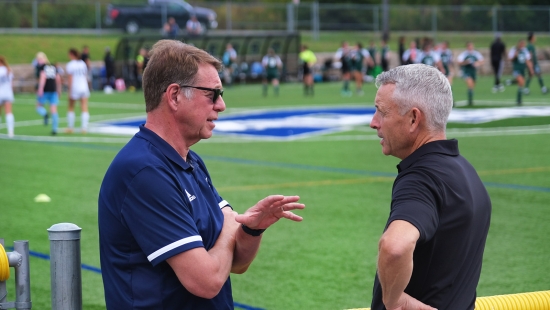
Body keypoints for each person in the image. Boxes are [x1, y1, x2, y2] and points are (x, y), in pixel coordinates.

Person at [98, 40, 305, 309]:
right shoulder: (144, 171)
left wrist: (251, 229)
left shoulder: (189, 160)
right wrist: (231, 226)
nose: (222, 105)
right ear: (174, 96)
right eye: (213, 94)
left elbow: (238, 264)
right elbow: (206, 281)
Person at [369, 64, 491, 310]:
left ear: (414, 119)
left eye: (382, 112)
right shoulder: (466, 171)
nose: (374, 123)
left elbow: (395, 247)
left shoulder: (421, 178)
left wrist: (393, 301)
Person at [35, 52, 61, 135]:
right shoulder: (53, 66)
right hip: (53, 90)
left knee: (39, 107)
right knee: (54, 110)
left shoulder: (42, 67)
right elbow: (58, 79)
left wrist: (40, 89)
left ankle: (45, 113)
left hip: (45, 90)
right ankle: (55, 129)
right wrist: (58, 90)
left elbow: (43, 78)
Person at [66, 48, 90, 134]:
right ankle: (84, 127)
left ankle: (70, 127)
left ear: (72, 54)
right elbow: (85, 75)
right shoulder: (82, 63)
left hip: (75, 87)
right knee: (84, 106)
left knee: (71, 106)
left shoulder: (70, 65)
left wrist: (69, 90)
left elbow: (70, 78)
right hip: (83, 86)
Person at [508, 39, 534, 106]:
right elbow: (510, 59)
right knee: (520, 81)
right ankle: (519, 100)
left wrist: (531, 69)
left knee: (521, 84)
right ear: (519, 44)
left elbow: (528, 61)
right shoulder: (514, 49)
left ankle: (519, 99)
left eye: (523, 44)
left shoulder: (525, 50)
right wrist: (514, 56)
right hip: (516, 69)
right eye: (521, 44)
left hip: (523, 69)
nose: (522, 45)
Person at [457, 42, 483, 106]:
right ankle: (470, 101)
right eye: (469, 46)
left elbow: (482, 61)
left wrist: (477, 63)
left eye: (471, 46)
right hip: (466, 71)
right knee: (470, 83)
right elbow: (459, 62)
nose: (470, 48)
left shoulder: (476, 53)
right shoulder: (464, 54)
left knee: (472, 85)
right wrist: (466, 62)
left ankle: (470, 98)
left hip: (473, 72)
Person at [0, 55, 15, 138]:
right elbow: (11, 83)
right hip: (8, 93)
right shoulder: (8, 69)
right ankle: (10, 131)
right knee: (9, 112)